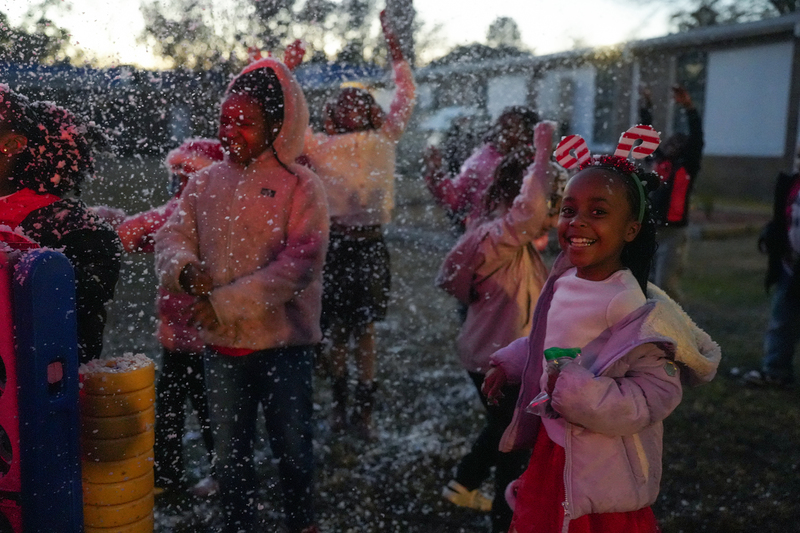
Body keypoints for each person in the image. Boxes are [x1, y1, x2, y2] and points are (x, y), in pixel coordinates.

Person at [483, 154, 721, 533]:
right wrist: (514, 360)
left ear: (631, 229)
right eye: (569, 209)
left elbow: (656, 391)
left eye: (598, 211)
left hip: (600, 461)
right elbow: (553, 340)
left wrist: (582, 396)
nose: (577, 221)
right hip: (556, 446)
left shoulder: (626, 301)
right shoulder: (565, 279)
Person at [155, 57, 328, 533]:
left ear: (279, 124)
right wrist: (185, 271)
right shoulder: (204, 181)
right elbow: (173, 237)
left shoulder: (300, 186)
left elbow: (299, 265)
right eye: (225, 120)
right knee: (230, 457)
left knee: (292, 448)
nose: (231, 131)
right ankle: (239, 524)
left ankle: (301, 522)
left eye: (245, 122)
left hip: (284, 347)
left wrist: (223, 302)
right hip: (221, 350)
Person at [436, 121, 562, 533]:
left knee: (505, 427)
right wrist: (541, 156)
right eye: (553, 201)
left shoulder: (494, 233)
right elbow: (530, 213)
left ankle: (466, 483)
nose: (555, 213)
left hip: (489, 353)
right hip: (500, 358)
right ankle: (507, 519)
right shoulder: (500, 235)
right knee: (515, 441)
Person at [301, 10, 416, 440]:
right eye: (342, 100)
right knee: (333, 332)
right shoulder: (317, 144)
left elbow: (405, 92)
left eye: (360, 99)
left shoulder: (384, 136)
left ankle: (362, 412)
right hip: (334, 249)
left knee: (363, 331)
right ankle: (340, 404)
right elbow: (289, 121)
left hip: (369, 247)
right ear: (330, 112)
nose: (351, 103)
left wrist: (395, 47)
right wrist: (286, 66)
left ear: (371, 110)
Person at [108, 139, 223, 497]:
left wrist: (112, 223)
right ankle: (174, 472)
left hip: (200, 331)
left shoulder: (195, 212)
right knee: (183, 406)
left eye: (183, 176)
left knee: (200, 408)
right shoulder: (202, 213)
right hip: (182, 332)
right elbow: (150, 239)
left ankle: (189, 472)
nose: (177, 186)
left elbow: (132, 233)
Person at [0, 85, 121, 364]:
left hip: (36, 397)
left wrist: (21, 261)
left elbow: (80, 326)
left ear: (13, 145)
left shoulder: (77, 229)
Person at [424, 105, 539, 231]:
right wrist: (437, 173)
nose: (501, 132)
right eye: (499, 127)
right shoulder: (483, 158)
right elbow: (455, 199)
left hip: (522, 241)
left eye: (509, 128)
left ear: (527, 134)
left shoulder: (537, 163)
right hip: (483, 239)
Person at [641, 85, 704, 301]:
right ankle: (646, 326)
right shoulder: (657, 162)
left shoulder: (687, 166)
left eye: (679, 142)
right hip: (650, 230)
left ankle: (675, 326)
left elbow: (697, 138)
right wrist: (647, 105)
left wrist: (689, 107)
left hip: (673, 233)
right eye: (671, 140)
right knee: (643, 282)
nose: (673, 143)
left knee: (666, 285)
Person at [743, 150, 800, 388]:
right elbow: (784, 218)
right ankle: (776, 369)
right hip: (792, 264)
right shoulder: (793, 184)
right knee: (783, 318)